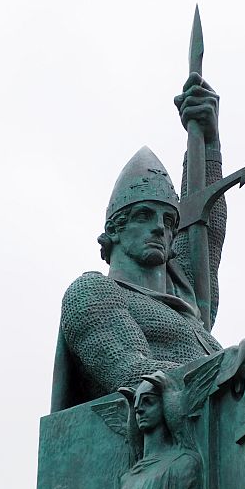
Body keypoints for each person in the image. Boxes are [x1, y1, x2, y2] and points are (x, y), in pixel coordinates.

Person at [51, 73, 226, 410]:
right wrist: (232, 372)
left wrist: (208, 142)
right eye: (144, 215)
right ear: (114, 230)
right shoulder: (92, 293)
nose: (160, 228)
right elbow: (134, 372)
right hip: (151, 447)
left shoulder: (187, 305)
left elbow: (207, 233)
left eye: (167, 220)